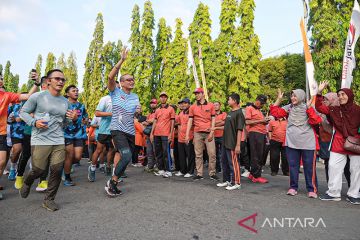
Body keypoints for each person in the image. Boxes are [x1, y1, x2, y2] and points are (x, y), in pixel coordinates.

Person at [19, 69, 78, 211]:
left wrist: (73, 119)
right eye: (57, 78)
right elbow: (23, 112)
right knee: (38, 170)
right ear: (48, 81)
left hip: (58, 139)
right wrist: (34, 122)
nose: (61, 81)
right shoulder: (37, 97)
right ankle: (27, 182)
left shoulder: (65, 102)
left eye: (63, 79)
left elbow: (65, 123)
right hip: (40, 139)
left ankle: (49, 199)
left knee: (57, 170)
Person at [271, 89, 322, 198]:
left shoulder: (308, 107)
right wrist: (279, 99)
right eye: (292, 96)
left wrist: (308, 108)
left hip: (308, 143)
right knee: (293, 166)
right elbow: (274, 112)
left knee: (309, 167)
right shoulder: (289, 108)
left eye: (295, 96)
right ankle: (293, 187)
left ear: (301, 96)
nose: (293, 98)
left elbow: (316, 121)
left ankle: (312, 189)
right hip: (292, 142)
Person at [316, 81, 360, 204]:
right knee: (333, 167)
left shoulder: (358, 110)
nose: (340, 97)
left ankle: (354, 194)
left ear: (350, 96)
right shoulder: (334, 109)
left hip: (355, 143)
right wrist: (319, 92)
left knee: (356, 169)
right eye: (339, 95)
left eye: (343, 94)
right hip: (339, 142)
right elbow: (319, 107)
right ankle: (333, 193)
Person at [104, 48, 140, 196]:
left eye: (133, 79)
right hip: (117, 129)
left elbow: (135, 113)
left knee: (127, 158)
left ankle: (114, 180)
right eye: (128, 79)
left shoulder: (135, 96)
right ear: (122, 82)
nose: (132, 81)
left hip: (130, 131)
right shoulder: (115, 92)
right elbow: (110, 77)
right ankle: (112, 182)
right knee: (126, 156)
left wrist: (138, 111)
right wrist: (122, 61)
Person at [0, 71, 40, 200]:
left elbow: (28, 96)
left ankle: (13, 170)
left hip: (2, 133)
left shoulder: (6, 95)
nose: (1, 80)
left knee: (1, 162)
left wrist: (37, 83)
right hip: (14, 131)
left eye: (1, 78)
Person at [186, 88, 219, 181]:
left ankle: (212, 173)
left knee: (212, 154)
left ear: (203, 94)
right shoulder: (192, 107)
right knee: (198, 154)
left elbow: (213, 119)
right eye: (195, 94)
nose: (196, 95)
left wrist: (212, 132)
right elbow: (190, 121)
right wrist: (187, 134)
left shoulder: (211, 105)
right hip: (197, 133)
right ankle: (199, 174)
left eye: (198, 93)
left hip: (209, 132)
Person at [215, 93, 245, 190]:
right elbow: (226, 126)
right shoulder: (230, 112)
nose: (228, 101)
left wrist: (238, 145)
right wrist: (214, 128)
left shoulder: (239, 113)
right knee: (224, 162)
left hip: (232, 143)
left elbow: (239, 130)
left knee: (233, 163)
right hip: (225, 141)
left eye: (229, 99)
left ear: (235, 101)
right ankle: (226, 180)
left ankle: (237, 182)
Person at [63, 85, 88, 186]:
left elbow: (86, 117)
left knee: (77, 157)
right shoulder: (63, 105)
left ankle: (65, 167)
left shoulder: (81, 106)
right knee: (69, 155)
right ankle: (67, 178)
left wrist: (85, 120)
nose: (76, 92)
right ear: (68, 94)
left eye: (77, 90)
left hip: (79, 134)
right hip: (66, 133)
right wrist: (71, 119)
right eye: (73, 91)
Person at [88, 93, 114, 182]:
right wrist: (111, 114)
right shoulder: (105, 99)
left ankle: (109, 167)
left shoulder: (121, 99)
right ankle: (92, 169)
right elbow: (97, 113)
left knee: (112, 149)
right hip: (104, 131)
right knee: (99, 150)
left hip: (115, 130)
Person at [245, 95, 270, 183]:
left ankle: (253, 174)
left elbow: (260, 122)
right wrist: (261, 121)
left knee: (260, 155)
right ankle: (256, 176)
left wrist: (265, 121)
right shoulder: (250, 108)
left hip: (261, 133)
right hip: (255, 133)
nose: (262, 105)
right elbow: (247, 122)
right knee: (257, 155)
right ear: (257, 100)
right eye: (261, 103)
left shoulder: (259, 110)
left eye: (263, 104)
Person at [150, 92, 175, 178]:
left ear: (166, 98)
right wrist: (151, 133)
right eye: (161, 97)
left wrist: (170, 134)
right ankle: (161, 169)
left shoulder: (171, 109)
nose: (163, 98)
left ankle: (168, 171)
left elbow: (172, 122)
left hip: (165, 134)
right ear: (160, 98)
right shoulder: (157, 109)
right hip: (157, 134)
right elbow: (155, 121)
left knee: (166, 153)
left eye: (164, 97)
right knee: (158, 152)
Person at [176, 98, 195, 178]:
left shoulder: (192, 113)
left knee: (190, 155)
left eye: (185, 103)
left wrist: (193, 137)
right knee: (181, 155)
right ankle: (183, 170)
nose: (183, 105)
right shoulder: (181, 113)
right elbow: (179, 124)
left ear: (189, 104)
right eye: (182, 103)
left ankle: (190, 171)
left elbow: (194, 125)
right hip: (181, 138)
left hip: (189, 137)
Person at [143, 99, 158, 173]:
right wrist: (148, 121)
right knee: (149, 151)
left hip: (156, 134)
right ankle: (150, 166)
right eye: (151, 103)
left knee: (156, 151)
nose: (152, 104)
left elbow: (154, 120)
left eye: (154, 103)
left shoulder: (158, 111)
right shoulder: (149, 113)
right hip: (149, 135)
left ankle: (157, 166)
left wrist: (148, 121)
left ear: (156, 104)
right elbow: (145, 122)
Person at [214, 101, 227, 173]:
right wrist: (220, 122)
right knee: (215, 154)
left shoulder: (224, 113)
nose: (215, 106)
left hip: (222, 136)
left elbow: (225, 122)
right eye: (214, 105)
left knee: (223, 154)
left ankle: (224, 169)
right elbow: (210, 123)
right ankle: (217, 169)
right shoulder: (211, 114)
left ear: (220, 106)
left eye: (217, 105)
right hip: (214, 136)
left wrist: (214, 124)